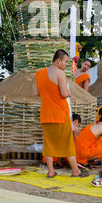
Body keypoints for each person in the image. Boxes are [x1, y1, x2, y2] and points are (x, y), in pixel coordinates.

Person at [34, 49, 85, 178]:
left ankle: (51, 172)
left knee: (49, 143)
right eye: (65, 61)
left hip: (45, 114)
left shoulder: (39, 73)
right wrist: (69, 93)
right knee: (67, 143)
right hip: (59, 114)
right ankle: (75, 171)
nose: (66, 64)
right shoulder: (60, 73)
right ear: (58, 61)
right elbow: (63, 93)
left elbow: (35, 92)